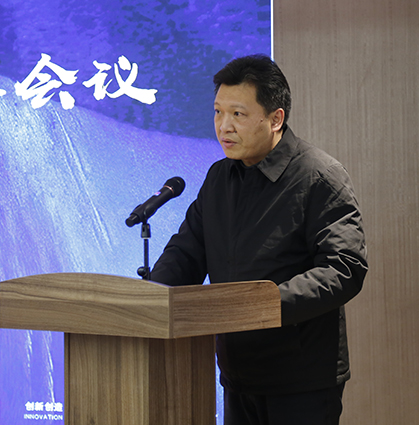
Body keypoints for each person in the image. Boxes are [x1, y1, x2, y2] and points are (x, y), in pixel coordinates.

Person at [150, 54, 368, 425]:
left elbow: (344, 268)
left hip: (301, 380)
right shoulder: (218, 179)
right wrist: (148, 301)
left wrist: (263, 305)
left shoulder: (319, 176)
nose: (224, 126)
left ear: (275, 119)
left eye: (238, 114)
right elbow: (186, 254)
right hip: (238, 375)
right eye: (218, 112)